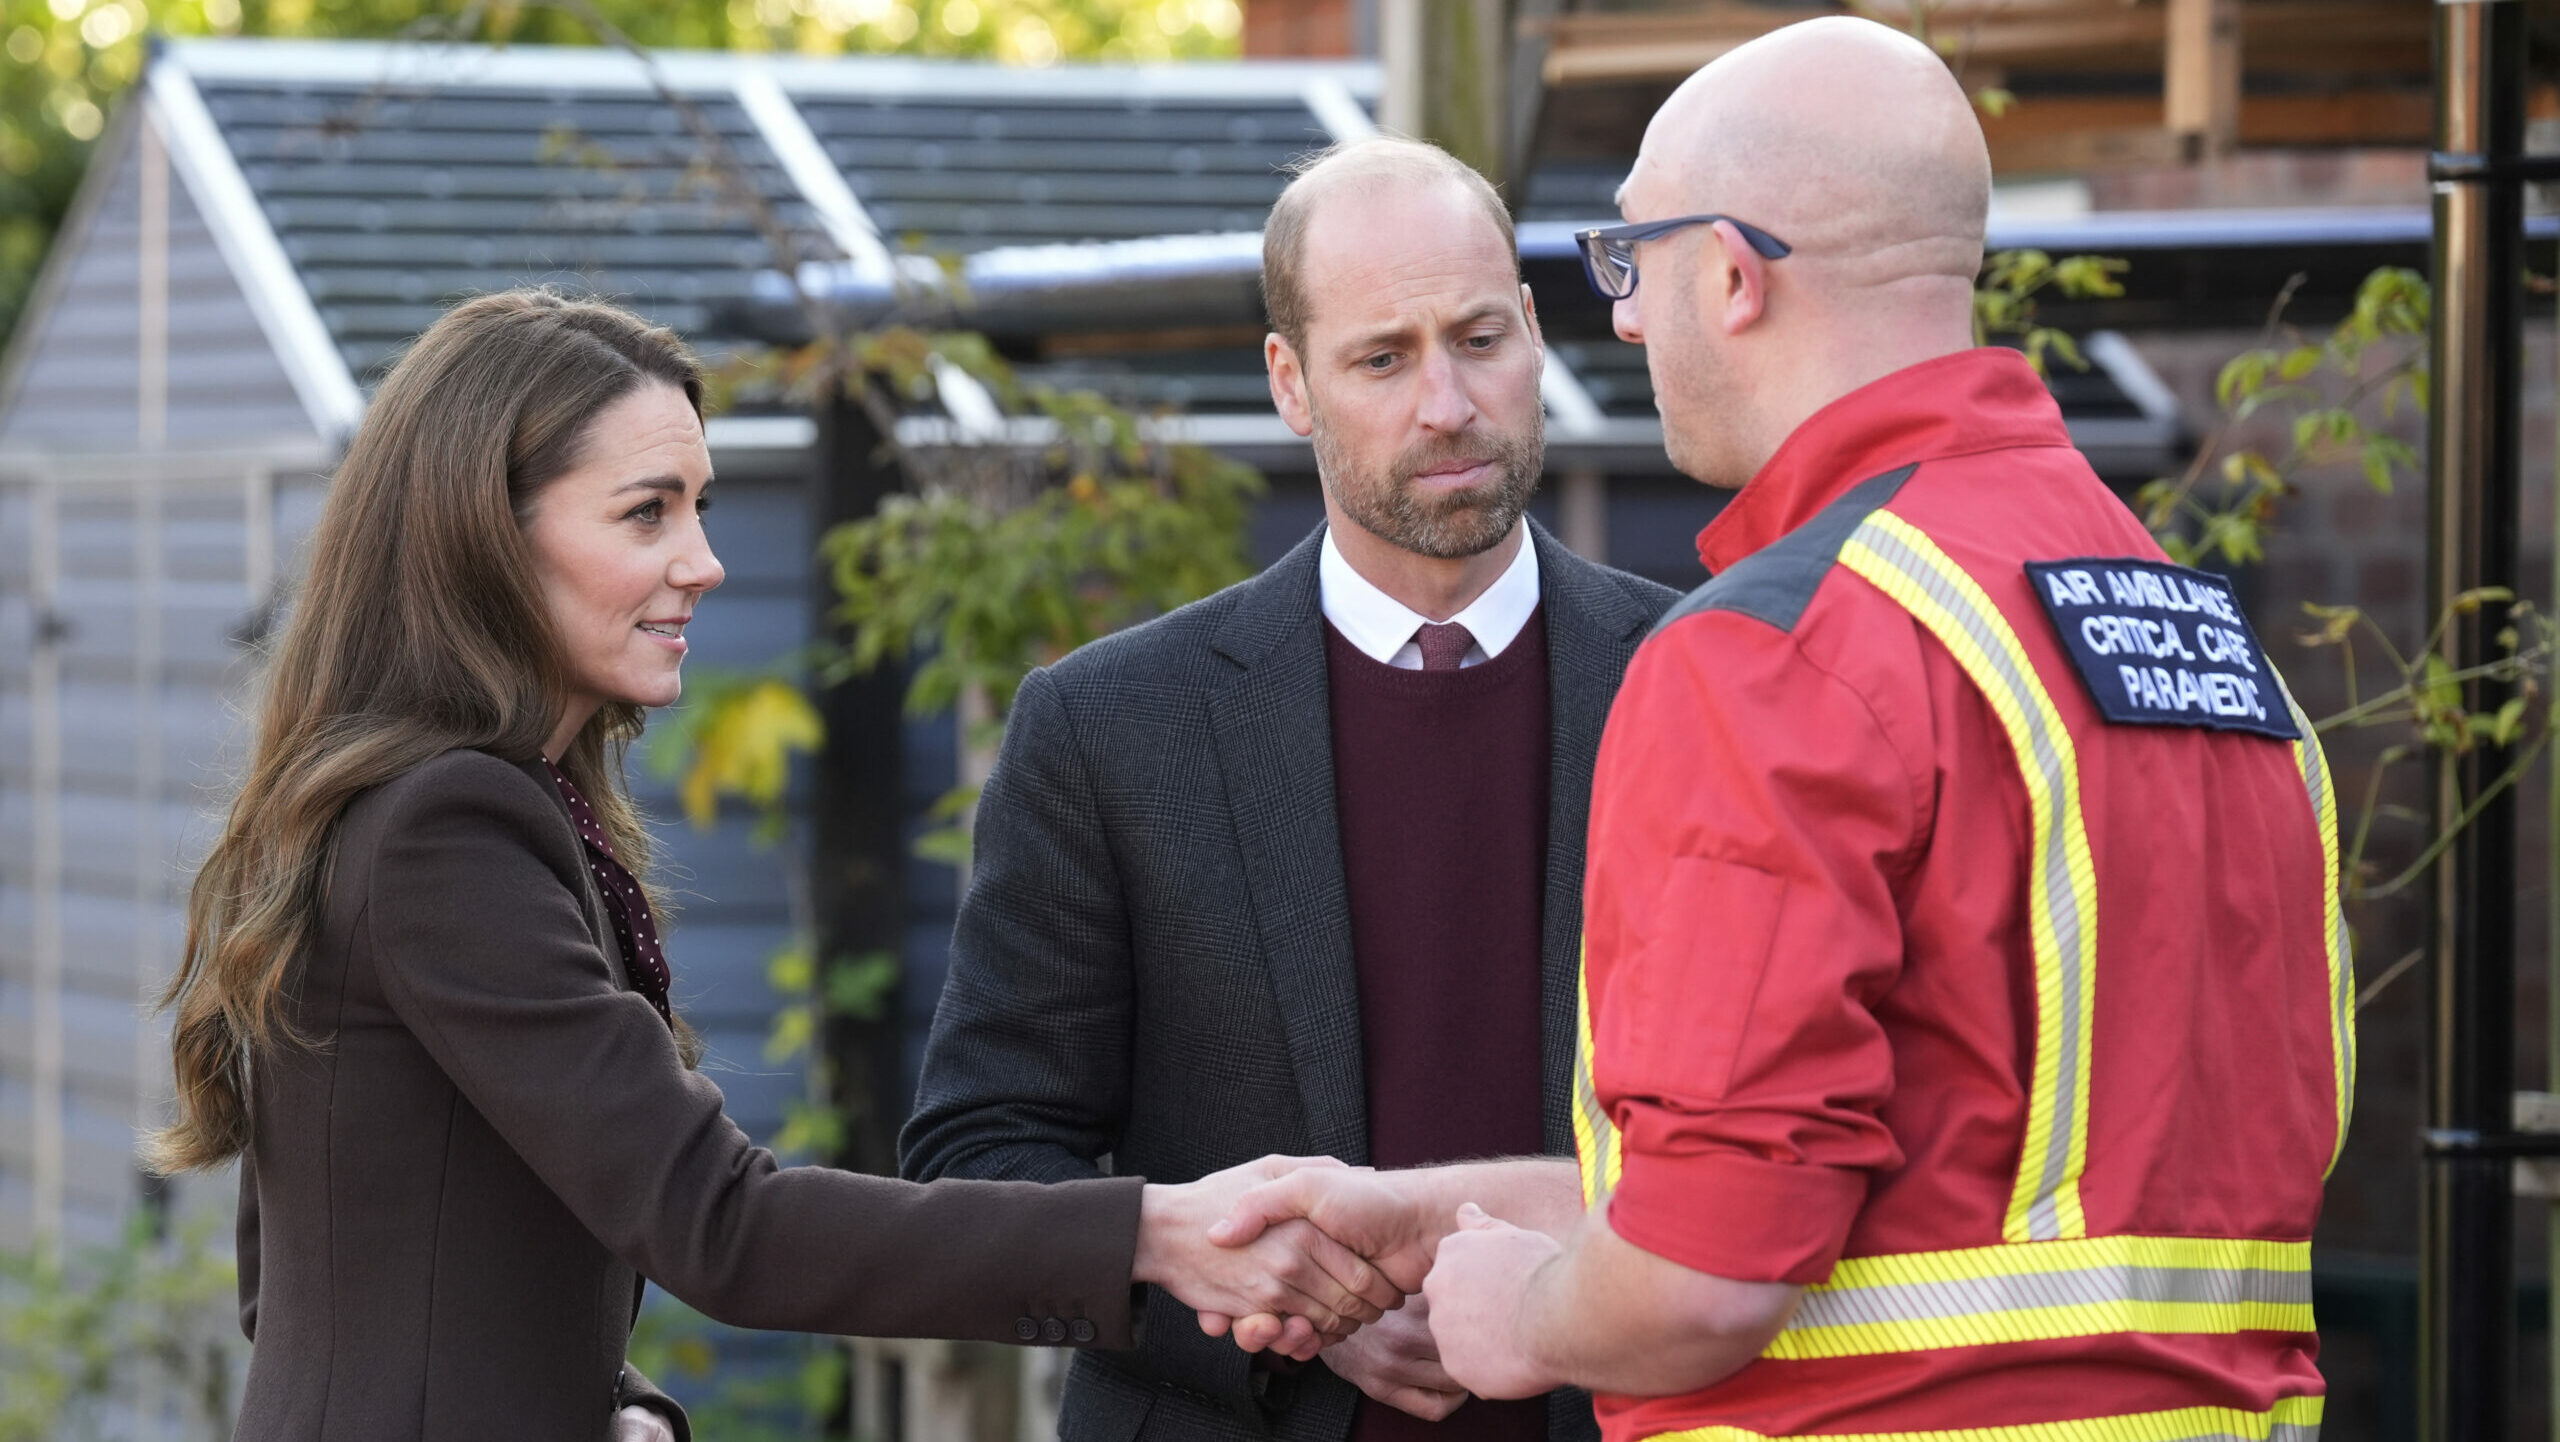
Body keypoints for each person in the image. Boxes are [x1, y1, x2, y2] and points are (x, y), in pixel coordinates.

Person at [1211, 17, 2354, 1439]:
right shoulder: (2194, 638)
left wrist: (1522, 1313)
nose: (1623, 318)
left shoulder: (1782, 651)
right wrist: (1430, 1212)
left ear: (1734, 277)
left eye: (1632, 264)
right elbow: (1940, 1178)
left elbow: (1709, 1261)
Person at [147, 289, 1404, 1442]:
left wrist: (608, 1406)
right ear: (488, 537)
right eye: (648, 511)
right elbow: (722, 1221)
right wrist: (1152, 1231)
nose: (703, 560)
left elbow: (321, 1275)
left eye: (700, 505)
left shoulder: (440, 803)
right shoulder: (448, 829)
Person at [898, 137, 1675, 1442]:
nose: (1447, 402)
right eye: (1383, 357)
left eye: (1479, 337)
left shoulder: (1705, 678)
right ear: (1290, 382)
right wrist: (1281, 1312)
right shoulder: (1110, 728)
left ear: (1537, 333)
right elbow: (984, 1159)